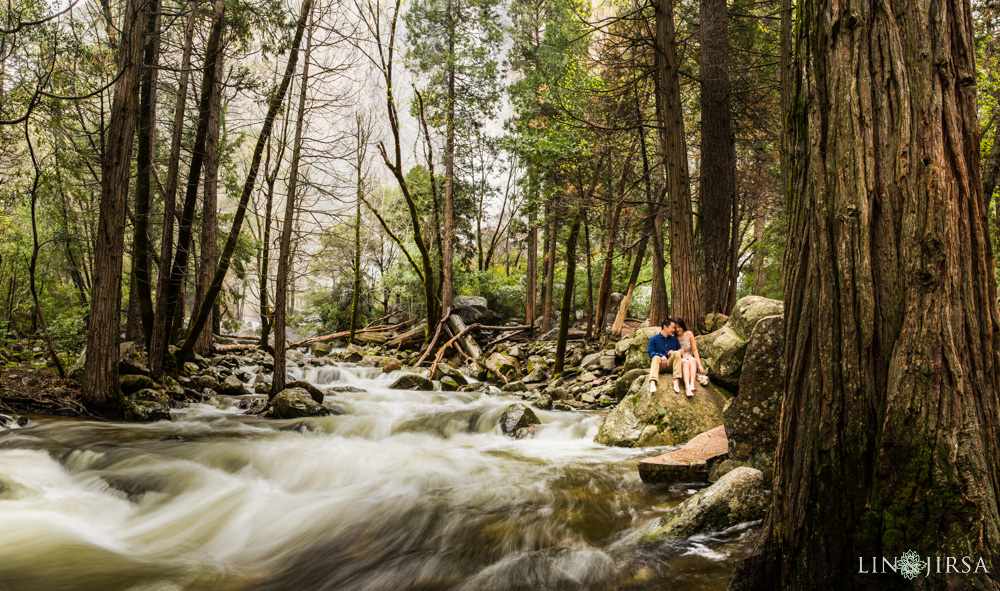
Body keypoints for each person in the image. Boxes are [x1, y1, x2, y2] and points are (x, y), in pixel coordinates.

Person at [670, 318, 705, 397]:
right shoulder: (673, 337)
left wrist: (699, 365)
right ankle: (687, 386)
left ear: (683, 326)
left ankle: (692, 384)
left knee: (692, 360)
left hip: (689, 356)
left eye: (679, 327)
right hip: (680, 358)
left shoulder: (689, 334)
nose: (677, 329)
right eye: (675, 328)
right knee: (686, 362)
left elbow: (695, 350)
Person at [647, 318, 680, 393]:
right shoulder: (654, 339)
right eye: (672, 327)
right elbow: (650, 352)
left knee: (677, 353)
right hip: (660, 366)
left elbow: (679, 354)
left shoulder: (674, 340)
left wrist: (673, 352)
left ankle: (676, 381)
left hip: (671, 365)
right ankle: (653, 382)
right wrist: (661, 355)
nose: (674, 330)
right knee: (655, 357)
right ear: (665, 327)